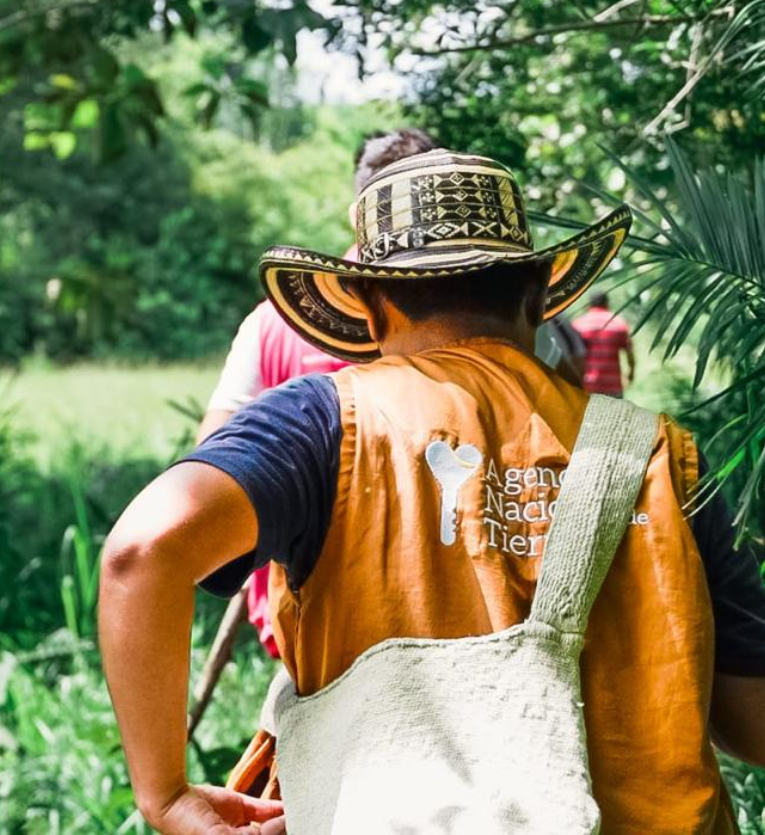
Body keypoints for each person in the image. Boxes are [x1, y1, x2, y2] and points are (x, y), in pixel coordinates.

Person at [100, 150, 765, 834]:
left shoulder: (323, 424)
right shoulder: (657, 452)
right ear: (538, 294)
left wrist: (164, 792)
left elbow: (142, 551)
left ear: (370, 309)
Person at [198, 129, 584, 660]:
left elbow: (210, 464)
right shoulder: (524, 331)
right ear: (537, 293)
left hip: (316, 626)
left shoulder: (269, 329)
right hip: (507, 617)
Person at [572, 291, 634, 396]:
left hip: (587, 386)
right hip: (612, 386)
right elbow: (629, 353)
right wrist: (631, 373)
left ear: (589, 305)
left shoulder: (578, 325)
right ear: (607, 303)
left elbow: (573, 357)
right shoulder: (619, 323)